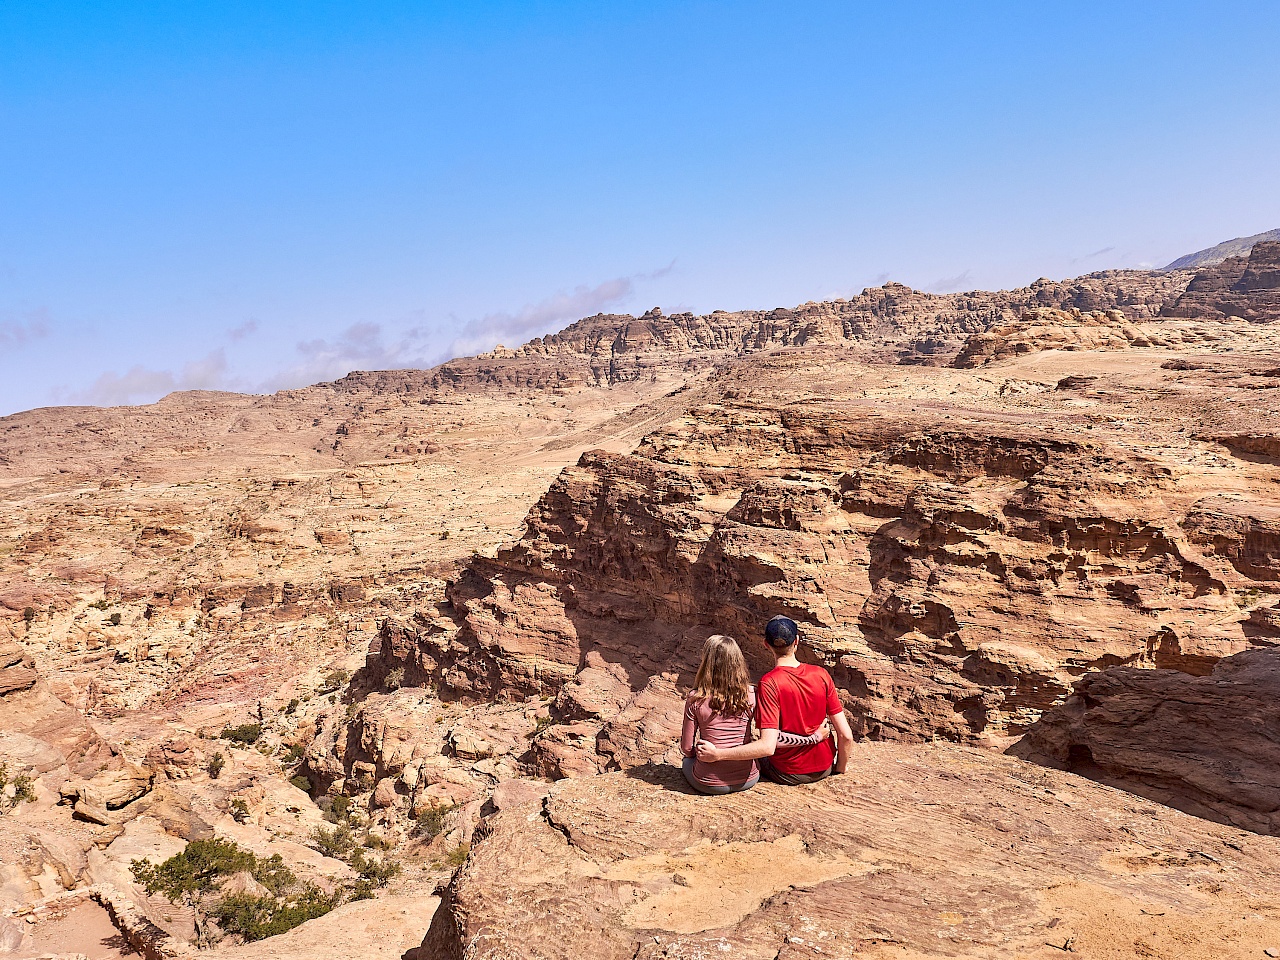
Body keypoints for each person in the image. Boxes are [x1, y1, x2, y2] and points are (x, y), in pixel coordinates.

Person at [696, 616, 853, 784]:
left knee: (752, 759)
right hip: (825, 767)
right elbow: (846, 735)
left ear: (766, 644)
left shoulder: (769, 682)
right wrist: (839, 768)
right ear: (797, 641)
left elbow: (767, 746)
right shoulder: (821, 674)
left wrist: (718, 754)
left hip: (787, 772)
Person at [679, 634, 829, 795]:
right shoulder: (752, 695)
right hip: (748, 779)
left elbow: (687, 749)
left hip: (708, 783)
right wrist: (812, 738)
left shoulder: (695, 699)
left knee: (687, 761)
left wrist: (704, 754)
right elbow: (773, 739)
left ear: (706, 662)